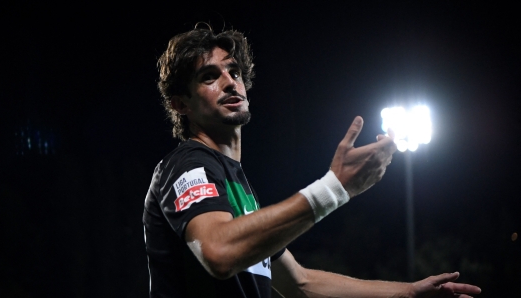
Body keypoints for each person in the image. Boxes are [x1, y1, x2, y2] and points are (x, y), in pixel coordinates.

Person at [143, 27, 481, 298]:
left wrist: (408, 292)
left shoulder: (237, 187)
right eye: (209, 76)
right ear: (180, 104)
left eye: (234, 71)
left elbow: (301, 283)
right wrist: (335, 187)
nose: (231, 81)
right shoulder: (187, 165)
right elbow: (218, 251)